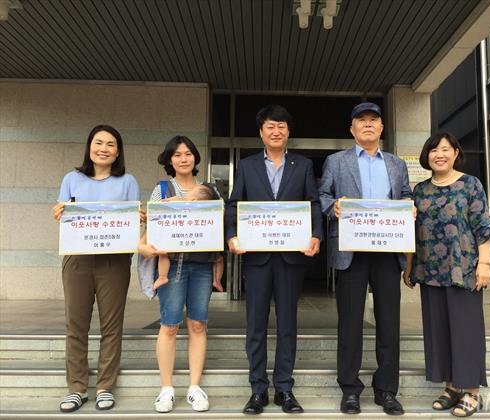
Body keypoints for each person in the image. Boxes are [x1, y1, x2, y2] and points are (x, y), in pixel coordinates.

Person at [225, 105, 323, 415]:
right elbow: (234, 205)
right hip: (257, 258)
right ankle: (258, 390)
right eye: (270, 126)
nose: (276, 131)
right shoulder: (247, 165)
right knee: (255, 325)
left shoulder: (302, 165)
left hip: (291, 257)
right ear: (261, 132)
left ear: (288, 131)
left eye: (281, 126)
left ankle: (284, 389)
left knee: (287, 325)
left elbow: (313, 203)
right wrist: (232, 236)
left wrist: (316, 235)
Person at [318, 102, 411, 416]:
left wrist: (409, 205)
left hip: (387, 250)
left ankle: (386, 390)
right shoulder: (335, 161)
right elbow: (322, 195)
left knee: (389, 323)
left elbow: (406, 194)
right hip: (351, 251)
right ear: (352, 129)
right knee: (350, 323)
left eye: (374, 120)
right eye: (362, 120)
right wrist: (333, 206)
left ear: (382, 127)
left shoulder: (396, 163)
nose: (368, 124)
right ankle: (350, 389)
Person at [402, 133, 490, 417]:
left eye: (445, 149)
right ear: (426, 156)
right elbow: (412, 232)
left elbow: (483, 225)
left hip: (463, 269)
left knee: (466, 331)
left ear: (456, 153)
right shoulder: (420, 190)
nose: (439, 155)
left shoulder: (470, 184)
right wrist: (409, 266)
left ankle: (472, 391)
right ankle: (452, 386)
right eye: (434, 150)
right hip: (429, 270)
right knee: (439, 330)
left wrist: (484, 264)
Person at [52, 125, 140, 413]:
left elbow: (132, 219)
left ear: (118, 151)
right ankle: (76, 388)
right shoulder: (71, 179)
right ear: (89, 146)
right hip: (78, 258)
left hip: (114, 260)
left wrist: (138, 217)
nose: (104, 148)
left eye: (110, 144)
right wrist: (59, 212)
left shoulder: (127, 181)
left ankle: (104, 387)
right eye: (98, 142)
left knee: (112, 325)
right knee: (75, 324)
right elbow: (64, 214)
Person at [138, 136, 224, 413]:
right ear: (169, 160)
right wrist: (143, 244)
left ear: (196, 157)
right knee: (170, 324)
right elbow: (153, 224)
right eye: (177, 155)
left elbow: (219, 221)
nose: (183, 158)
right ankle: (166, 388)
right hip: (172, 264)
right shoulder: (162, 189)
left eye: (188, 153)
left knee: (198, 324)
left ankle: (194, 387)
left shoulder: (210, 189)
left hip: (202, 265)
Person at [151, 185, 222, 291]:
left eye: (191, 190)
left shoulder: (180, 203)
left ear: (194, 200)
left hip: (183, 244)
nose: (187, 191)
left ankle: (162, 276)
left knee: (163, 254)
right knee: (219, 259)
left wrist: (171, 202)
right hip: (193, 245)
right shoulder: (203, 210)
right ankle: (217, 280)